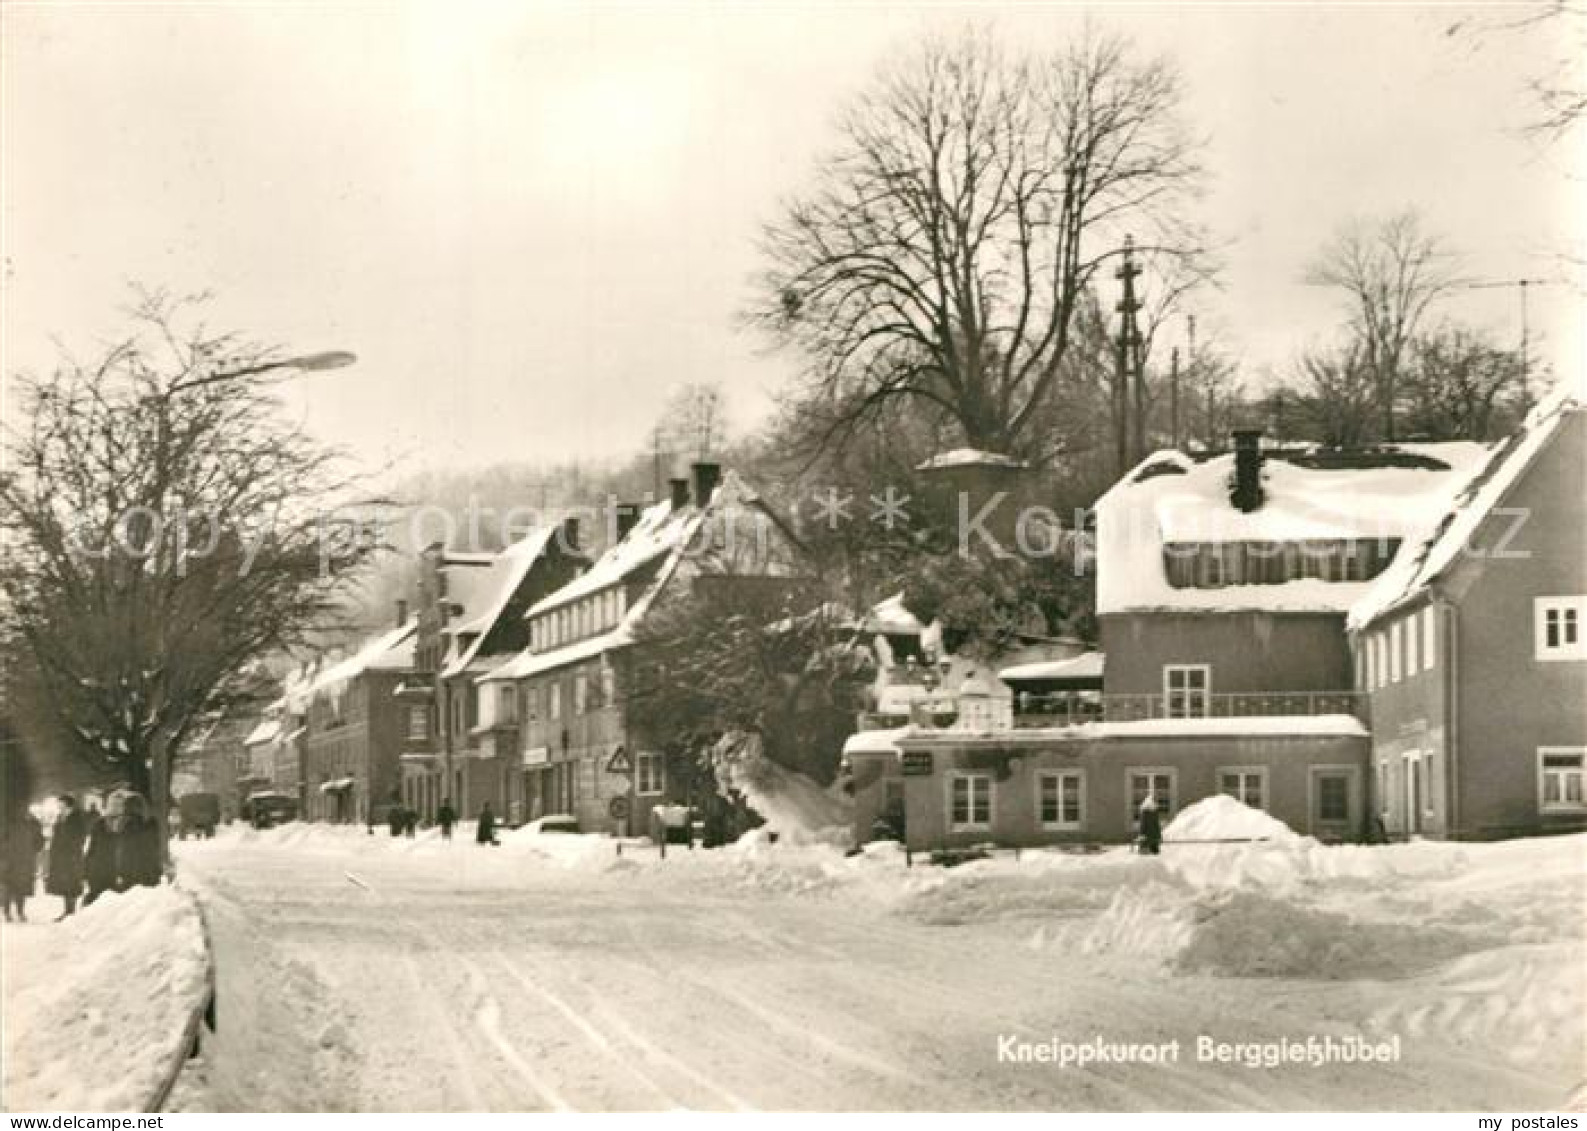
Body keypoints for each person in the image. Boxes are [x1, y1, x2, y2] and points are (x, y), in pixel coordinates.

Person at [45, 795, 88, 919]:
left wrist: (71, 849)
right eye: (59, 805)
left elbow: (80, 837)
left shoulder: (77, 819)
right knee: (64, 884)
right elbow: (56, 836)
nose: (59, 807)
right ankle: (67, 911)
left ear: (69, 805)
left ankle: (71, 912)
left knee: (72, 884)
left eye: (61, 805)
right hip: (61, 857)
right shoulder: (60, 818)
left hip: (72, 856)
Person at [3, 809, 44, 922]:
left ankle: (9, 913)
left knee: (10, 887)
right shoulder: (33, 825)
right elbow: (40, 843)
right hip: (23, 861)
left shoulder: (8, 823)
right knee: (19, 887)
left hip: (12, 860)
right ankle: (18, 912)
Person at [82, 803, 118, 906]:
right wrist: (86, 867)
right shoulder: (98, 824)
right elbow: (92, 847)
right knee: (97, 894)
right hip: (98, 867)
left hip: (112, 868)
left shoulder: (124, 825)